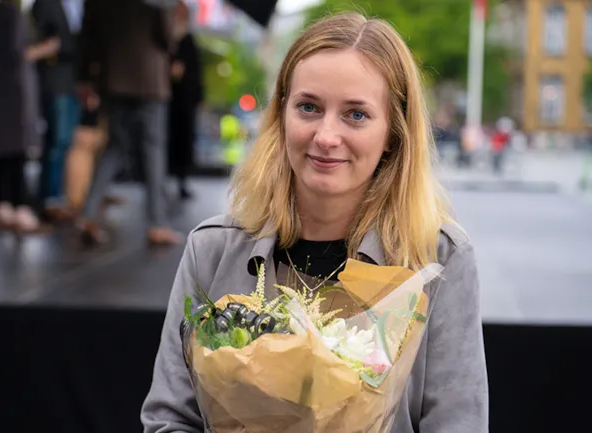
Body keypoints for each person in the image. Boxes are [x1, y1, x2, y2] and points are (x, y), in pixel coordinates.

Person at [141, 12, 488, 433]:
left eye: (355, 115)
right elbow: (168, 420)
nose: (326, 135)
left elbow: (458, 424)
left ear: (393, 134)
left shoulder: (439, 259)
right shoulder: (212, 249)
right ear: (282, 113)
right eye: (309, 107)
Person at [74, 0, 182, 245]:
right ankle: (157, 223)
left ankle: (88, 213)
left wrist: (85, 77)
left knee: (115, 147)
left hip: (114, 79)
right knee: (153, 150)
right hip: (149, 80)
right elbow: (166, 38)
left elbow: (88, 37)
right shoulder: (159, 3)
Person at [0, 0, 60, 233]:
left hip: (10, 84)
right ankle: (18, 205)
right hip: (18, 87)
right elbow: (18, 52)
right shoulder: (9, 13)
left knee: (8, 147)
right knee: (17, 146)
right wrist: (47, 48)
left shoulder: (1, 11)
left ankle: (5, 203)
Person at [31, 0, 83, 222]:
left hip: (74, 81)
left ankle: (60, 196)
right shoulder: (45, 4)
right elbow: (41, 40)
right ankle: (49, 198)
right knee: (56, 141)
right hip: (56, 81)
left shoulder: (80, 6)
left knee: (67, 142)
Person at [168, 0, 203, 200]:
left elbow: (197, 74)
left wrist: (198, 98)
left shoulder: (189, 40)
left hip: (186, 102)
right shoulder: (168, 39)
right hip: (169, 101)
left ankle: (181, 180)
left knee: (184, 142)